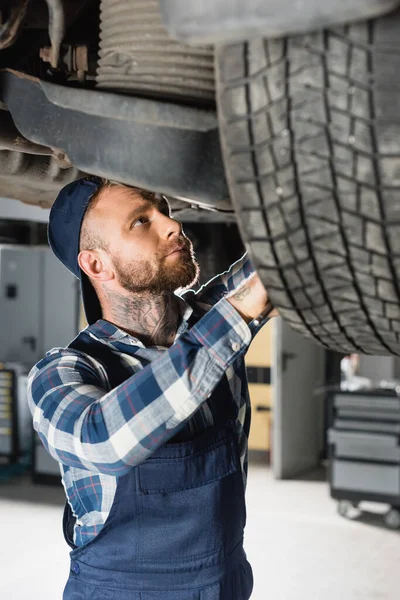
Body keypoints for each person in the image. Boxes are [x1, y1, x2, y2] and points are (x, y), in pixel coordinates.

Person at [27, 176, 278, 600]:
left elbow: (284, 258)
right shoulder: (63, 373)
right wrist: (236, 315)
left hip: (226, 583)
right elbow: (102, 440)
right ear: (96, 265)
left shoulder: (211, 321)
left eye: (163, 209)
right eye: (140, 222)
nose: (172, 225)